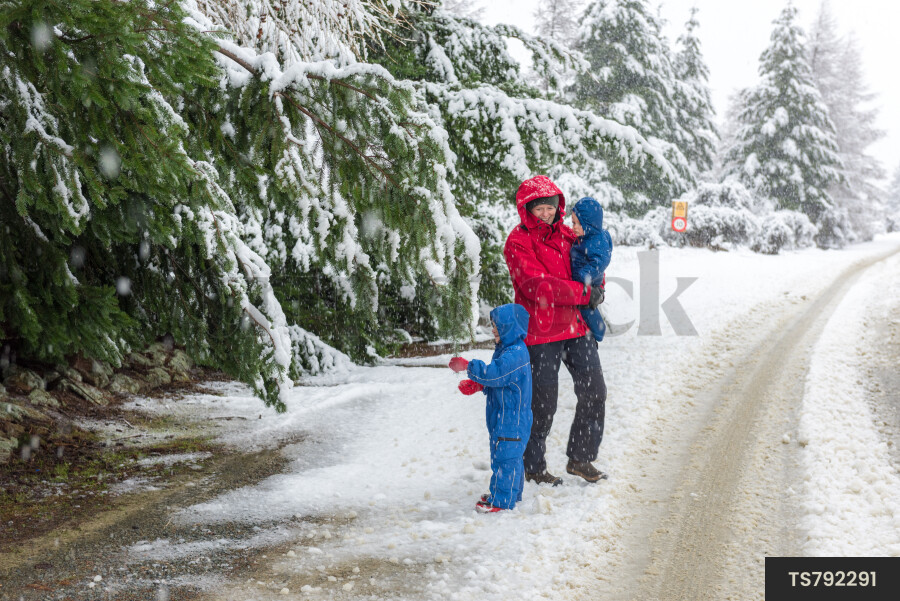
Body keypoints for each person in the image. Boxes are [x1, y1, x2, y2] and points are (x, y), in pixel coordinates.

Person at [503, 175, 608, 485]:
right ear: (527, 209)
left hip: (576, 329)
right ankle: (533, 468)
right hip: (541, 334)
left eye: (550, 207)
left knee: (595, 392)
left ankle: (581, 458)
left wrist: (597, 283)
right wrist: (585, 294)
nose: (546, 213)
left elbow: (590, 259)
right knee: (542, 404)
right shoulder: (518, 241)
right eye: (539, 209)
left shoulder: (566, 234)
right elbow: (538, 287)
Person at [449, 303, 532, 513]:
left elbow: (495, 374)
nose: (493, 329)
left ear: (510, 328)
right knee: (510, 458)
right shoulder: (510, 350)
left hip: (511, 420)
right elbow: (502, 383)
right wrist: (480, 385)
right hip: (508, 418)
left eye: (497, 326)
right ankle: (511, 493)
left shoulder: (515, 354)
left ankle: (502, 501)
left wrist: (468, 367)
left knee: (506, 459)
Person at [570, 196, 613, 342]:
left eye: (578, 223)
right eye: (573, 223)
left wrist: (585, 274)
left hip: (590, 280)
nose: (574, 227)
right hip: (585, 278)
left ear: (589, 224)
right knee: (584, 307)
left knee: (586, 307)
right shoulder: (587, 237)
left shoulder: (595, 240)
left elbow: (601, 261)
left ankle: (599, 330)